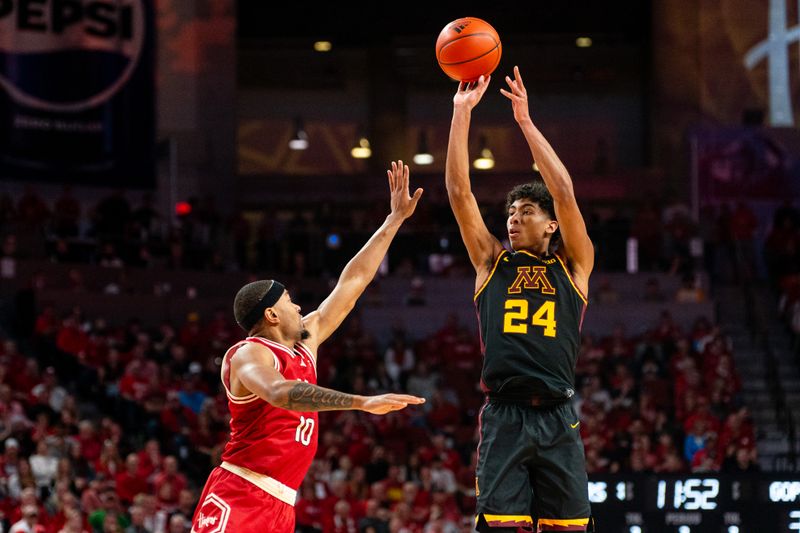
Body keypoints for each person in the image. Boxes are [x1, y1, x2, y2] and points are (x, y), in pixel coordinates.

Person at [191, 161, 425, 533]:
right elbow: (280, 392)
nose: (299, 306)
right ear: (270, 314)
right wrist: (360, 402)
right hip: (241, 492)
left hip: (282, 502)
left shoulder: (305, 342)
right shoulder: (249, 353)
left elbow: (354, 282)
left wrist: (393, 220)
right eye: (289, 300)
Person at [445, 67, 594, 532]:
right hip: (505, 415)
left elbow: (565, 194)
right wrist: (460, 114)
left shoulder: (573, 267)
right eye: (510, 213)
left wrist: (525, 123)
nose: (513, 220)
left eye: (526, 212)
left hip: (556, 414)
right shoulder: (491, 262)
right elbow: (458, 192)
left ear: (551, 225)